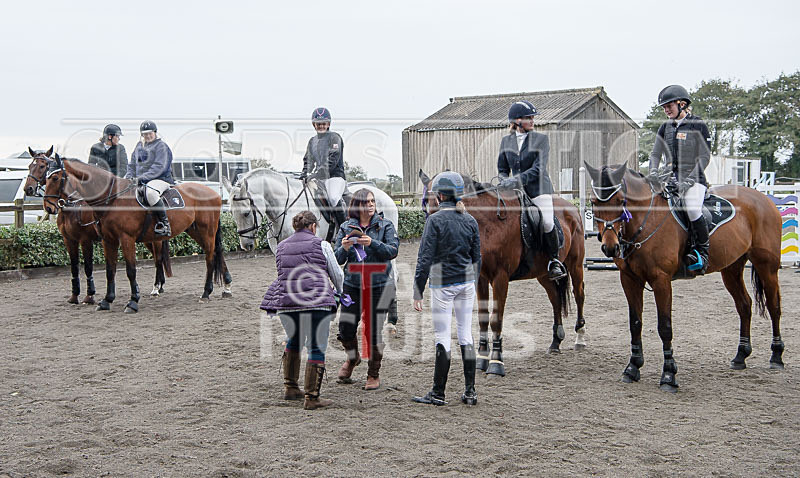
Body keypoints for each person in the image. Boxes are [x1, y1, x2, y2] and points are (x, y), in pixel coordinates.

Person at [260, 211, 344, 410]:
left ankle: (290, 387)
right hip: (316, 302)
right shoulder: (322, 245)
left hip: (288, 302)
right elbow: (337, 274)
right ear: (313, 226)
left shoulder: (281, 246)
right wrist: (340, 293)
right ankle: (312, 397)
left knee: (294, 340)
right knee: (316, 346)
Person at [412, 172, 481, 406]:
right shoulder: (470, 220)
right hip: (466, 283)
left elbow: (424, 259)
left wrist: (418, 290)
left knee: (442, 336)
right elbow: (477, 258)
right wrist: (473, 282)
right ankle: (470, 392)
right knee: (465, 334)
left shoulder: (434, 220)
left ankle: (438, 392)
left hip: (443, 283)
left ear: (440, 196)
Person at [334, 188, 399, 390]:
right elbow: (337, 259)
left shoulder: (385, 225)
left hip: (379, 285)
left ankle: (373, 374)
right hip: (351, 285)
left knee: (373, 331)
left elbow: (393, 251)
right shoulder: (345, 227)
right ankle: (353, 358)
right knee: (345, 329)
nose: (370, 205)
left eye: (372, 202)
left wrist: (373, 243)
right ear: (357, 205)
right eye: (366, 202)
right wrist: (344, 248)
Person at [497, 100, 566, 280]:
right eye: (529, 118)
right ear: (517, 121)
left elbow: (538, 169)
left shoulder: (541, 140)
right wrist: (504, 180)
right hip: (515, 192)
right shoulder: (506, 141)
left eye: (532, 117)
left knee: (547, 222)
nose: (533, 120)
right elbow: (502, 168)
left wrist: (516, 180)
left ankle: (554, 261)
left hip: (538, 190)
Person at [648, 85, 712, 274]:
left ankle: (702, 253)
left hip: (695, 179)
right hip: (669, 179)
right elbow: (655, 154)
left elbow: (705, 157)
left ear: (681, 104)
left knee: (692, 208)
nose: (666, 110)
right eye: (664, 108)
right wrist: (653, 172)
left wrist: (689, 181)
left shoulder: (698, 125)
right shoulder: (665, 127)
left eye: (669, 106)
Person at [125, 120, 175, 237]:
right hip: (141, 180)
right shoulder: (139, 146)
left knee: (151, 193)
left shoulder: (161, 146)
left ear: (155, 132)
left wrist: (141, 178)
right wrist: (129, 177)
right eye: (145, 134)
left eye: (150, 133)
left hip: (160, 179)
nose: (147, 136)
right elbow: (132, 164)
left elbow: (159, 167)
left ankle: (165, 224)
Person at [300, 107, 347, 227]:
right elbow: (308, 161)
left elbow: (333, 159)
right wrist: (304, 174)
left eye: (323, 123)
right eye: (318, 124)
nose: (321, 126)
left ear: (328, 124)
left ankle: (344, 229)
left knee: (333, 198)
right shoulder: (312, 141)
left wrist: (316, 174)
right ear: (314, 125)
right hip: (319, 178)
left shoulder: (335, 138)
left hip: (335, 177)